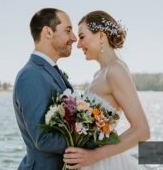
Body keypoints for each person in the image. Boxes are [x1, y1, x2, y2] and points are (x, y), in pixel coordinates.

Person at [63, 10, 150, 170]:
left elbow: (142, 130)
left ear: (101, 36)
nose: (79, 45)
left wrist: (94, 156)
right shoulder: (99, 74)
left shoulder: (116, 70)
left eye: (82, 37)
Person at [13, 8, 77, 170]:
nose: (74, 38)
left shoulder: (47, 71)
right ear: (48, 32)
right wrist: (92, 141)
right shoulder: (31, 75)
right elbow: (43, 139)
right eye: (68, 31)